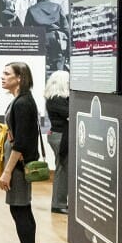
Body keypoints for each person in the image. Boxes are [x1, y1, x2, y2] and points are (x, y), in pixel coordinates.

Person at [0, 62, 41, 243]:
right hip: (16, 164)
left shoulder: (23, 103)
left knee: (21, 211)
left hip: (18, 167)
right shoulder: (20, 101)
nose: (2, 77)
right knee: (20, 211)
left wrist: (7, 171)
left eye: (7, 74)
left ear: (19, 78)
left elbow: (22, 143)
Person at [44, 70, 70, 214]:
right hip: (60, 137)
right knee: (63, 169)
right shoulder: (56, 99)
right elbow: (70, 113)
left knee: (63, 168)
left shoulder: (56, 99)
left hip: (59, 135)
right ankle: (58, 203)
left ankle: (60, 202)